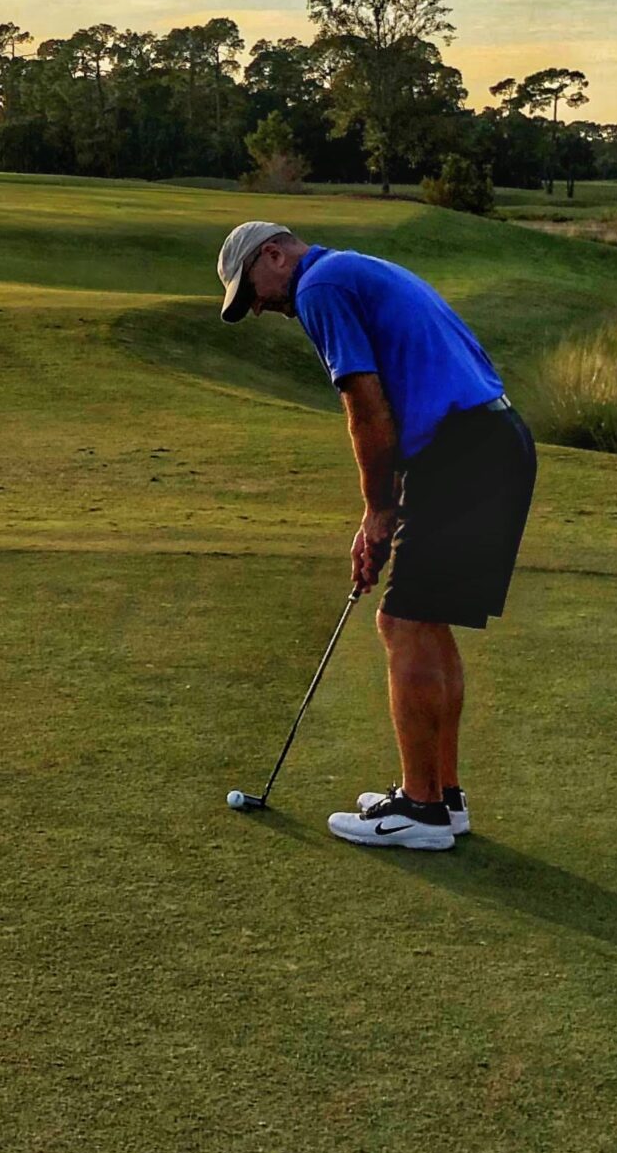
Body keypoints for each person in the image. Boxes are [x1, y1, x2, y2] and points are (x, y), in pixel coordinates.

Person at [215, 221, 538, 852]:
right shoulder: (353, 269)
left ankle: (420, 809)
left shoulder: (319, 287)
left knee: (404, 623)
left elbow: (366, 405)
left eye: (250, 290)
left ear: (273, 255)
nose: (258, 306)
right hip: (489, 442)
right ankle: (442, 797)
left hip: (462, 451)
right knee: (423, 619)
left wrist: (376, 513)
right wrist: (388, 510)